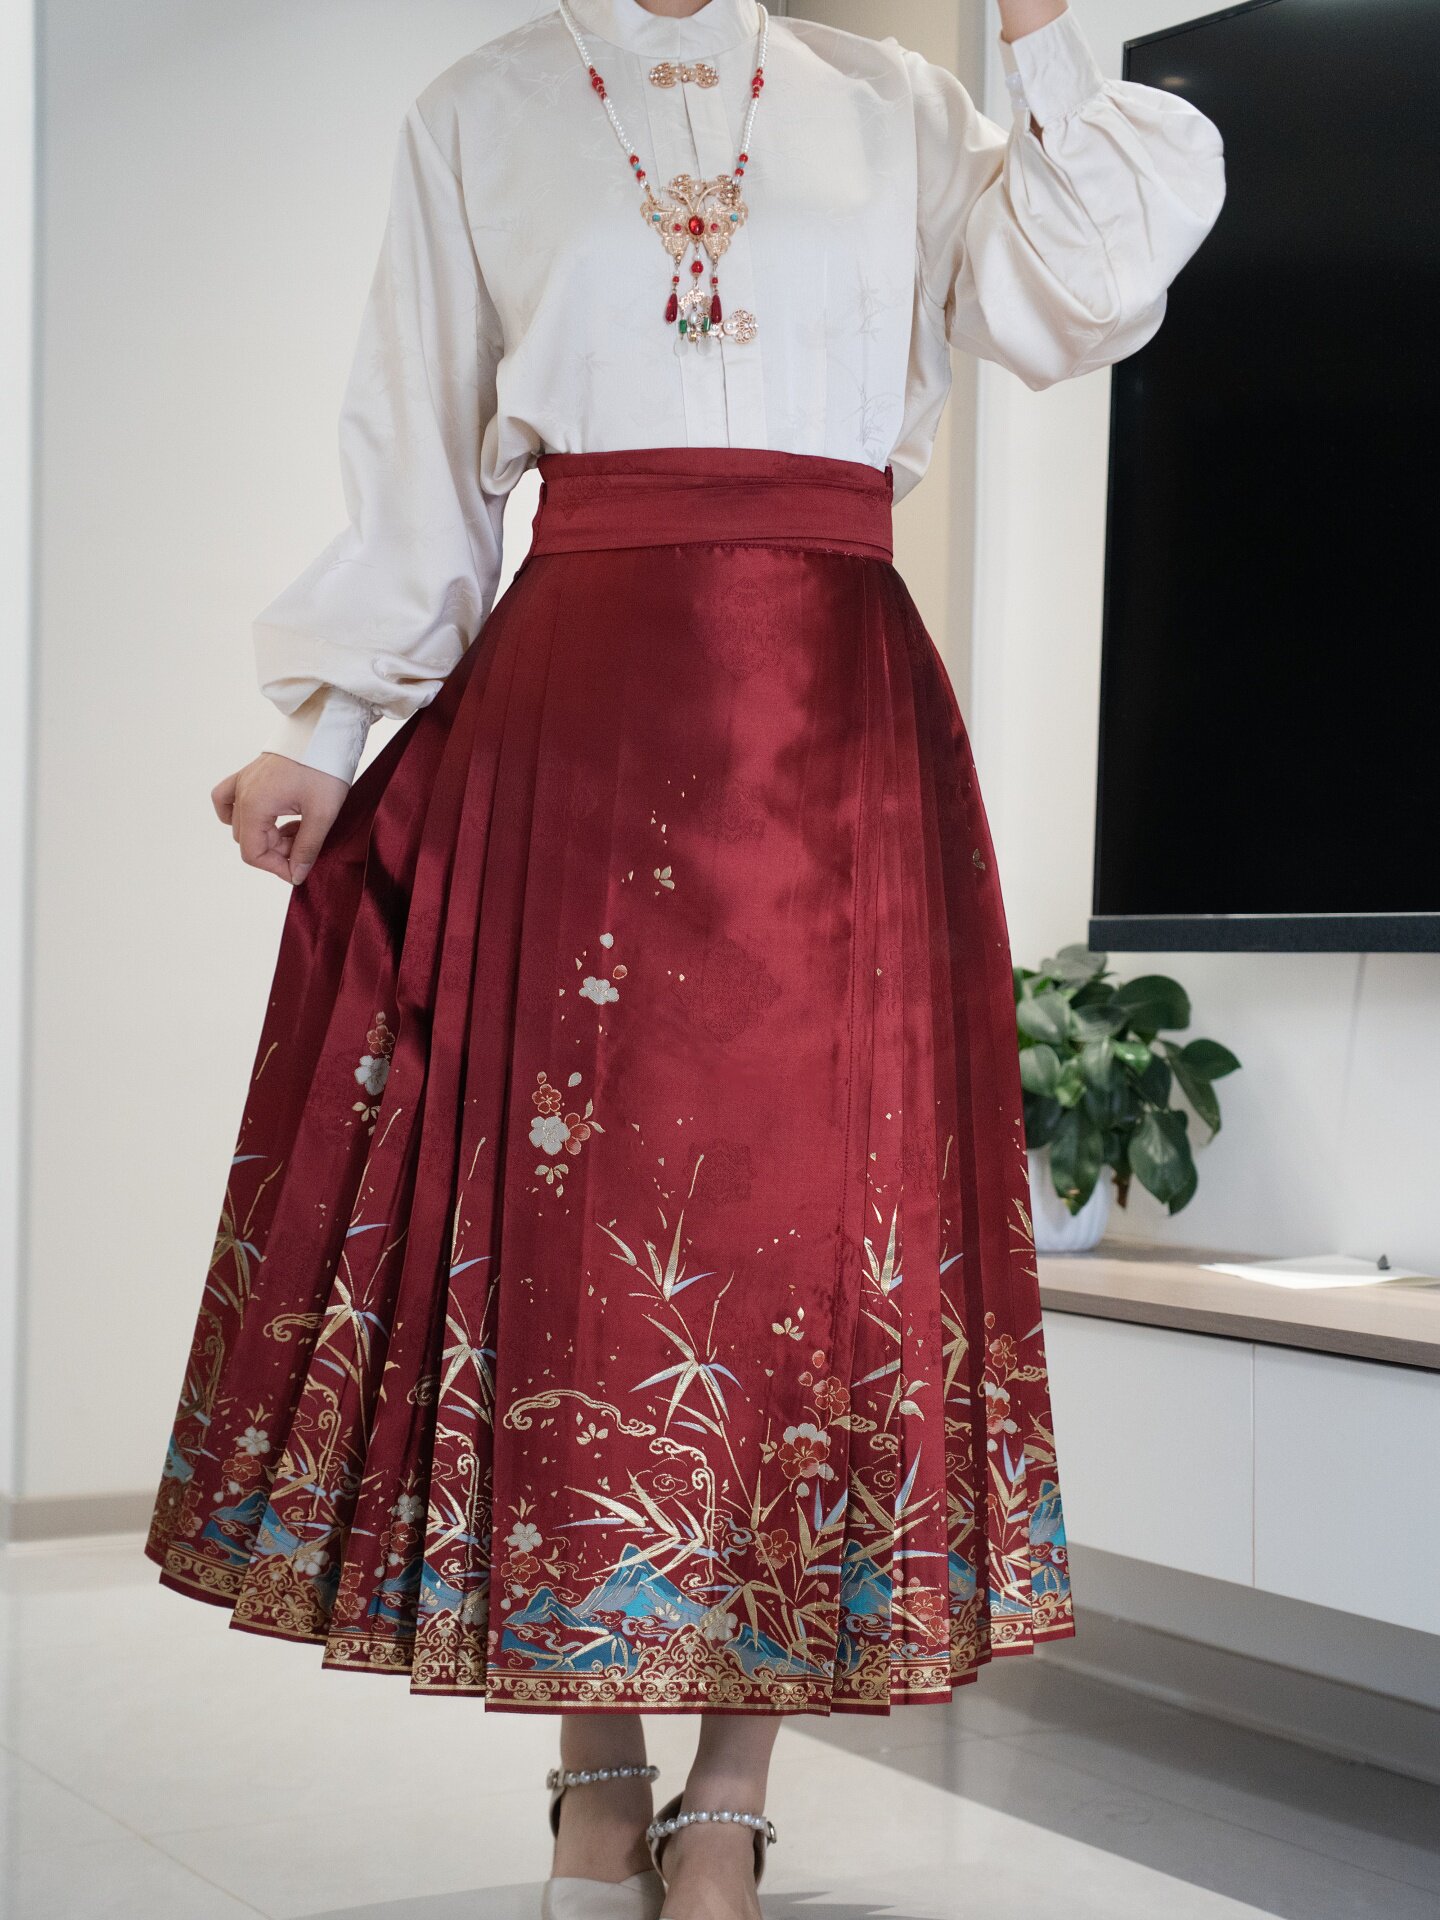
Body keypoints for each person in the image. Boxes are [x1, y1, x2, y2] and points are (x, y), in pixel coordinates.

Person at [145, 2, 1225, 1915]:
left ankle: (730, 1800)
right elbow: (420, 454)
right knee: (579, 1250)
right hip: (581, 720)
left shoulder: (903, 104)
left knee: (801, 1261)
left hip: (834, 729)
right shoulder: (478, 109)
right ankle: (595, 1770)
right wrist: (324, 728)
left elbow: (1086, 296)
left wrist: (1049, 29)